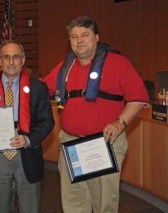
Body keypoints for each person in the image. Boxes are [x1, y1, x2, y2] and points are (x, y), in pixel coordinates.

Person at [41, 16, 150, 212]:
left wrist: (120, 122)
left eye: (85, 35)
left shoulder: (118, 63)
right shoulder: (65, 67)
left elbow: (139, 98)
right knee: (73, 202)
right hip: (71, 144)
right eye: (74, 36)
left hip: (104, 143)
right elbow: (40, 88)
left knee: (104, 203)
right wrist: (6, 78)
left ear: (97, 37)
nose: (79, 40)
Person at [0, 40, 55, 213]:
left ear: (23, 60)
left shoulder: (38, 87)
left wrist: (28, 139)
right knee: (0, 208)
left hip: (27, 154)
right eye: (6, 57)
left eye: (16, 57)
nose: (11, 62)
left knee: (30, 208)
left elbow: (47, 121)